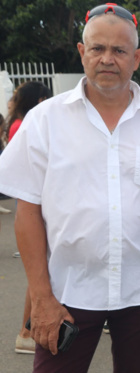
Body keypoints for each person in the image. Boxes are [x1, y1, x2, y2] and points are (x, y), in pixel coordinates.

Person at [0, 3, 140, 372]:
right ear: (81, 52)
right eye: (97, 48)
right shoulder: (45, 121)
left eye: (119, 50)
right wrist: (40, 296)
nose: (107, 59)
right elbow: (27, 214)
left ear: (137, 57)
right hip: (68, 292)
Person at [3, 81, 53, 354]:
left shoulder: (19, 122)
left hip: (34, 202)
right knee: (40, 273)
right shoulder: (27, 125)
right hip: (35, 204)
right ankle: (26, 331)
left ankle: (27, 331)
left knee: (41, 271)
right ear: (40, 99)